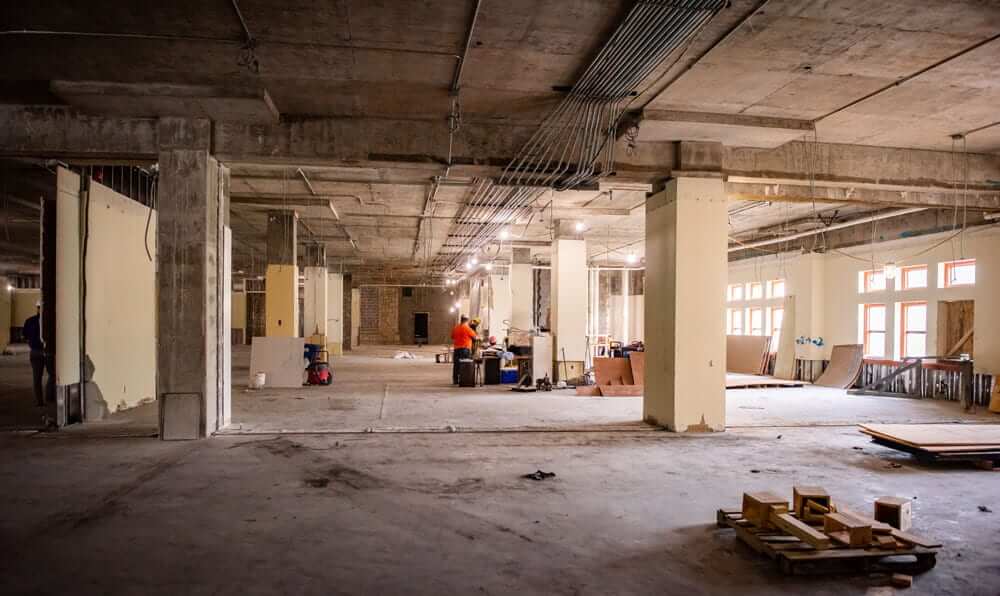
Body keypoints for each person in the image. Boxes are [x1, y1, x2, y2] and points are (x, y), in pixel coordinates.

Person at [23, 303, 47, 407]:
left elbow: (25, 335)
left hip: (35, 351)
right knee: (53, 376)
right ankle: (51, 399)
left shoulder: (29, 321)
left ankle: (40, 401)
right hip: (48, 352)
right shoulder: (50, 320)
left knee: (37, 378)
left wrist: (32, 342)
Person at [451, 315, 477, 385]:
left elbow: (452, 337)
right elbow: (475, 337)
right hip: (465, 349)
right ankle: (464, 379)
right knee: (465, 365)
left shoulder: (456, 327)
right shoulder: (467, 328)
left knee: (456, 365)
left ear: (461, 320)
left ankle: (455, 380)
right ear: (467, 320)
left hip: (456, 349)